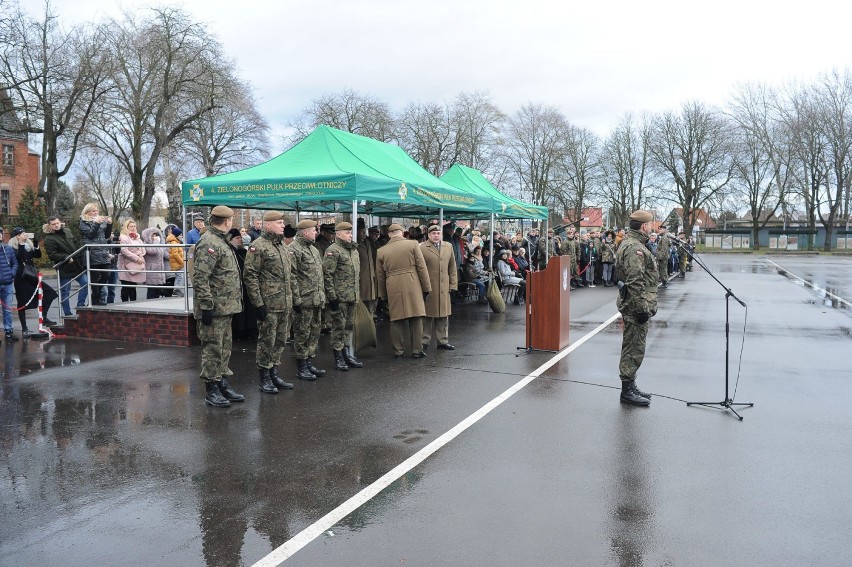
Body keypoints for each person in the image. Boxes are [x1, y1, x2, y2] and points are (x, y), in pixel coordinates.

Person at [193, 205, 245, 408]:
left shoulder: (221, 241)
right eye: (232, 219)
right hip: (214, 309)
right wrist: (206, 306)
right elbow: (201, 278)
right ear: (227, 221)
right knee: (212, 349)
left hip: (225, 308)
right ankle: (211, 389)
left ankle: (222, 383)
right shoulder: (209, 242)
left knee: (224, 349)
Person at [244, 211, 296, 393]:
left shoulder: (281, 246)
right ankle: (264, 377)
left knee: (281, 340)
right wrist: (258, 303)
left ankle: (274, 373)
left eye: (282, 222)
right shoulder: (258, 246)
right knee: (267, 341)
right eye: (279, 223)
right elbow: (250, 276)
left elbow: (288, 276)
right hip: (269, 304)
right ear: (267, 225)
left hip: (285, 302)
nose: (283, 225)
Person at [614, 210, 659, 407]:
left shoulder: (635, 243)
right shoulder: (634, 247)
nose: (651, 227)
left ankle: (631, 385)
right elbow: (635, 280)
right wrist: (642, 308)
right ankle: (627, 391)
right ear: (644, 226)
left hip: (635, 303)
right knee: (634, 347)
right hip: (635, 305)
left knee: (634, 345)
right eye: (650, 224)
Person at [376, 223, 431, 358]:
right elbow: (421, 268)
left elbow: (380, 276)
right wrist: (426, 288)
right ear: (401, 232)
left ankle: (398, 351)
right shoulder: (412, 244)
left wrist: (383, 295)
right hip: (413, 283)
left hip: (392, 284)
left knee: (396, 319)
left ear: (389, 234)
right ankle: (417, 350)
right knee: (416, 317)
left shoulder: (381, 251)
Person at [289, 219, 327, 380]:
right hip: (303, 300)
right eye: (313, 230)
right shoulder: (293, 249)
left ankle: (309, 361)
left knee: (314, 331)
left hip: (316, 299)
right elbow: (292, 277)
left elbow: (319, 275)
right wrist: (296, 300)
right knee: (302, 333)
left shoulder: (313, 249)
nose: (316, 233)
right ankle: (301, 365)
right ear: (305, 232)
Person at [323, 221, 363, 371]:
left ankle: (346, 353)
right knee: (338, 327)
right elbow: (327, 274)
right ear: (338, 234)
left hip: (352, 295)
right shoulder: (333, 250)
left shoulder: (353, 250)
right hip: (339, 297)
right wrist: (332, 296)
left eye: (351, 232)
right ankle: (338, 356)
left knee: (349, 327)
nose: (350, 235)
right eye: (347, 233)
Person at [11, 227, 58, 332]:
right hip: (21, 277)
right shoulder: (12, 247)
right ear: (16, 237)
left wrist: (35, 242)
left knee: (49, 293)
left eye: (24, 233)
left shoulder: (28, 246)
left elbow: (38, 255)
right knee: (22, 303)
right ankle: (24, 328)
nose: (23, 236)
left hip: (31, 276)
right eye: (20, 234)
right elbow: (21, 256)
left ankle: (44, 317)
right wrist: (21, 243)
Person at [420, 224, 458, 351]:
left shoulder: (448, 246)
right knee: (427, 316)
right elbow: (419, 269)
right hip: (429, 287)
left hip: (444, 287)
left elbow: (452, 267)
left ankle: (442, 341)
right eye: (433, 233)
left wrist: (453, 285)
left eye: (438, 233)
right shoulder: (422, 247)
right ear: (428, 235)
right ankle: (424, 341)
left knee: (443, 314)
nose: (436, 236)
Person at [43, 216, 89, 316]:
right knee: (65, 291)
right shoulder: (49, 239)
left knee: (86, 284)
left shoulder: (67, 231)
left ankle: (80, 306)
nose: (56, 225)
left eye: (57, 223)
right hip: (64, 267)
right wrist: (66, 257)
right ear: (49, 226)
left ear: (61, 223)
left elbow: (75, 243)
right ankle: (67, 313)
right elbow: (52, 255)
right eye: (53, 224)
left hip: (76, 265)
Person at [225, 228, 257, 341]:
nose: (240, 240)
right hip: (236, 286)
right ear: (231, 240)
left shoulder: (243, 252)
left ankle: (249, 330)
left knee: (248, 309)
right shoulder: (230, 252)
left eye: (240, 238)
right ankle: (238, 331)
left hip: (246, 284)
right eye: (237, 238)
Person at [78, 203, 113, 305]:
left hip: (103, 251)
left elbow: (106, 235)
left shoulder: (100, 220)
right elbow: (90, 235)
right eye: (93, 211)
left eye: (97, 210)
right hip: (92, 252)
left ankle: (95, 296)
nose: (96, 212)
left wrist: (110, 224)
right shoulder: (83, 222)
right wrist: (96, 223)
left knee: (106, 275)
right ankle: (96, 299)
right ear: (87, 212)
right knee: (94, 277)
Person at [117, 219, 146, 302]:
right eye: (131, 226)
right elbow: (124, 251)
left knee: (133, 285)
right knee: (126, 285)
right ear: (126, 227)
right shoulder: (123, 237)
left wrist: (140, 255)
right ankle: (124, 304)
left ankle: (133, 303)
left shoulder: (138, 237)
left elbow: (143, 249)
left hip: (135, 265)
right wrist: (136, 258)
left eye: (134, 226)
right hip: (126, 264)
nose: (133, 228)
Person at [356, 219, 379, 317]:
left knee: (372, 295)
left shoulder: (367, 242)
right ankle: (364, 315)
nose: (364, 234)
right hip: (362, 274)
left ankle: (371, 313)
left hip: (371, 273)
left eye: (364, 231)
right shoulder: (356, 244)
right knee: (363, 296)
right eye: (361, 232)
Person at [0, 227, 19, 342]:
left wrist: (12, 274)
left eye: (0, 233)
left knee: (7, 309)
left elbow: (15, 263)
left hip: (7, 283)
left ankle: (8, 331)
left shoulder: (8, 249)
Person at [141, 227, 169, 299]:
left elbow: (163, 253)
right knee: (151, 291)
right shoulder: (145, 244)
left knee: (158, 291)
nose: (155, 237)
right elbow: (153, 251)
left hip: (159, 269)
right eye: (153, 235)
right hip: (152, 270)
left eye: (156, 235)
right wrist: (156, 241)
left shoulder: (158, 244)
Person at [165, 225, 185, 297]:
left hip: (177, 262)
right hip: (177, 263)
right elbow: (175, 254)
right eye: (180, 235)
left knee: (180, 276)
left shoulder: (176, 242)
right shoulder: (174, 243)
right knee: (179, 276)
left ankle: (177, 289)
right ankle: (176, 289)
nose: (181, 236)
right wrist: (182, 261)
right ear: (176, 235)